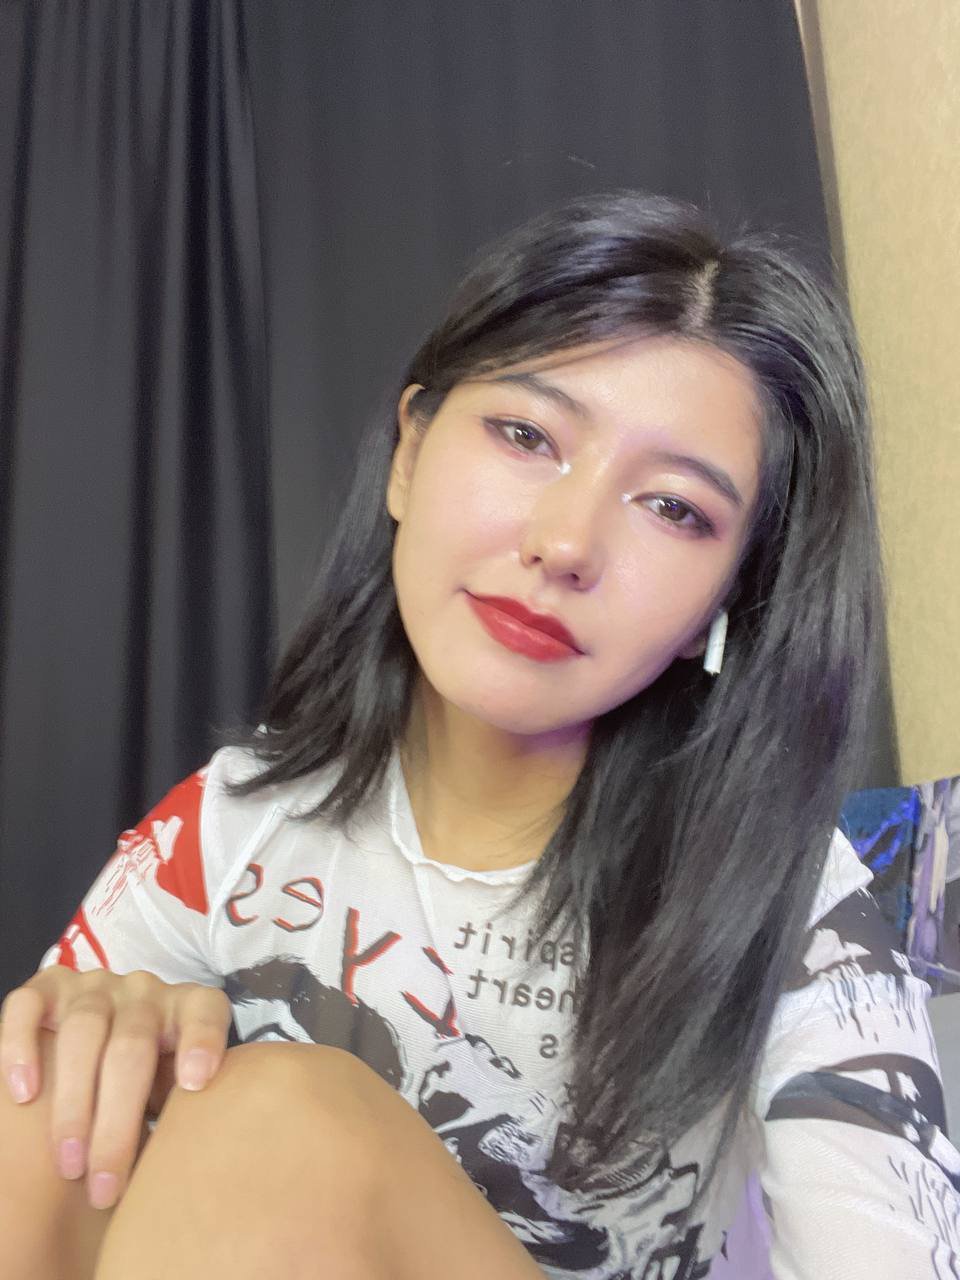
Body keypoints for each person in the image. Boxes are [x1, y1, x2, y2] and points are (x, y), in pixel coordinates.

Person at [1, 189, 957, 1279]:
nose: (566, 543)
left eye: (673, 508)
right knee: (54, 1072)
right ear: (408, 454)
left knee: (281, 1122)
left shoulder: (788, 899)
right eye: (526, 435)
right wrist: (109, 1019)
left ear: (722, 604)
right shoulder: (228, 827)